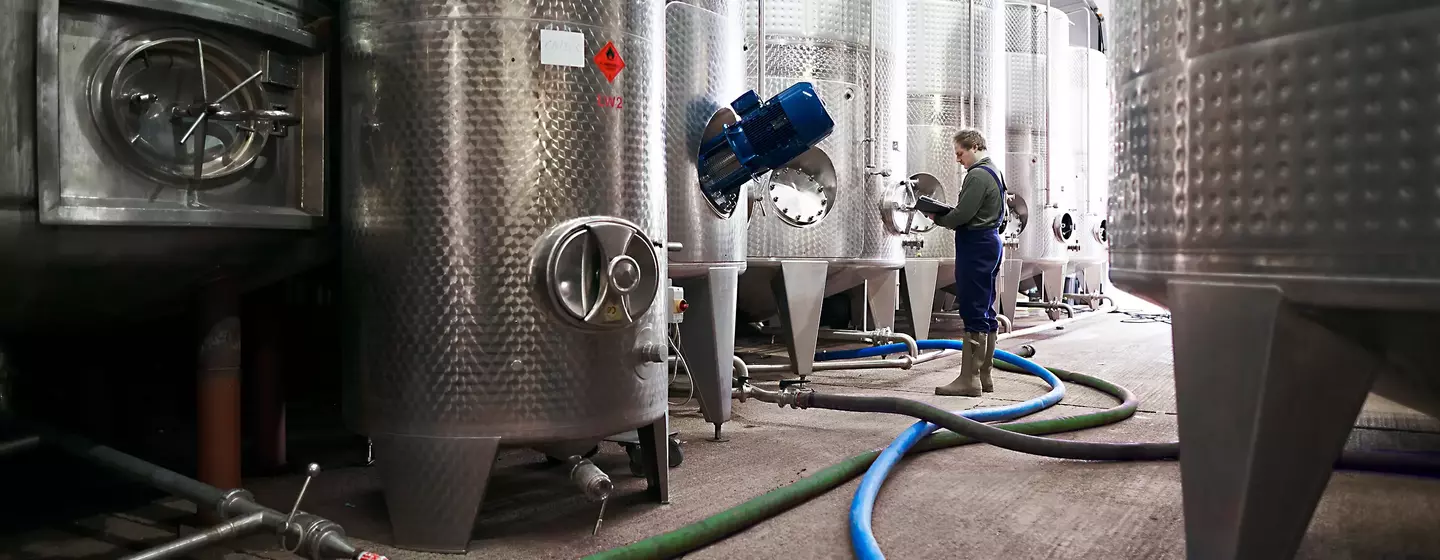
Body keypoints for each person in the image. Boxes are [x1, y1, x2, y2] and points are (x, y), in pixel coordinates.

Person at [922, 129, 1006, 397]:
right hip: (989, 243)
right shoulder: (994, 171)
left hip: (976, 245)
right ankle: (984, 377)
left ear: (975, 146)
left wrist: (937, 217)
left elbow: (963, 214)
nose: (958, 159)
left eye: (960, 153)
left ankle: (969, 380)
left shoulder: (978, 175)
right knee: (986, 309)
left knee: (973, 309)